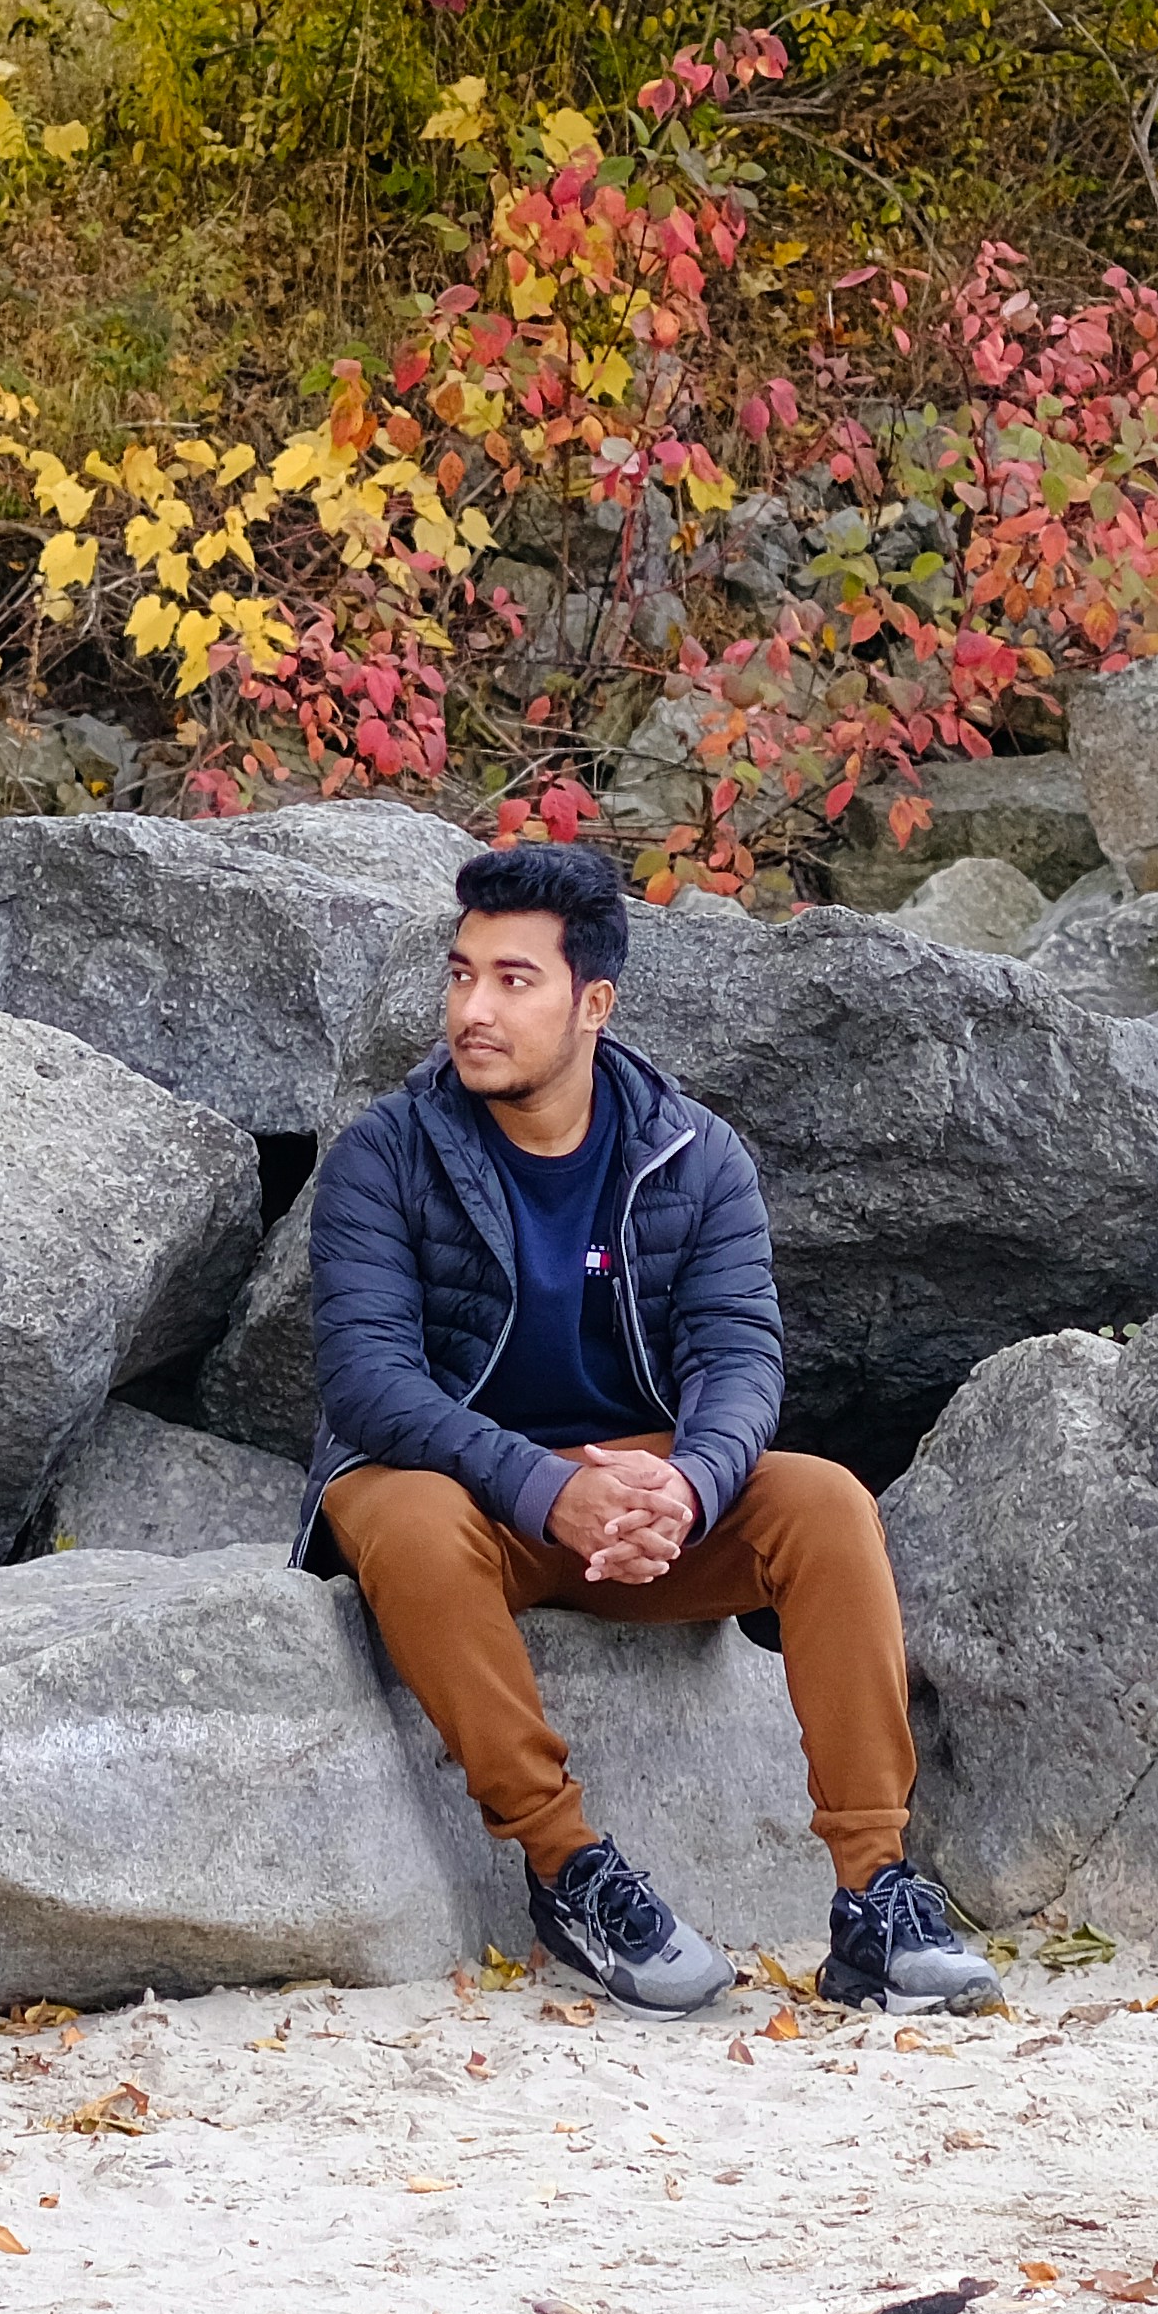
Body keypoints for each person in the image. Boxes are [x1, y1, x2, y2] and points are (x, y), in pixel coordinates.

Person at [297, 838, 1000, 2022]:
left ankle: (876, 1895)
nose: (473, 1007)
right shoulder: (387, 1153)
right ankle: (567, 1869)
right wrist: (542, 1487)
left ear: (595, 1002)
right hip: (462, 1493)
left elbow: (738, 1358)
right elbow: (367, 1380)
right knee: (398, 1506)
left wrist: (690, 1486)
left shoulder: (693, 1153)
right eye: (462, 974)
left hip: (638, 1502)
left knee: (823, 1499)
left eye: (513, 980)